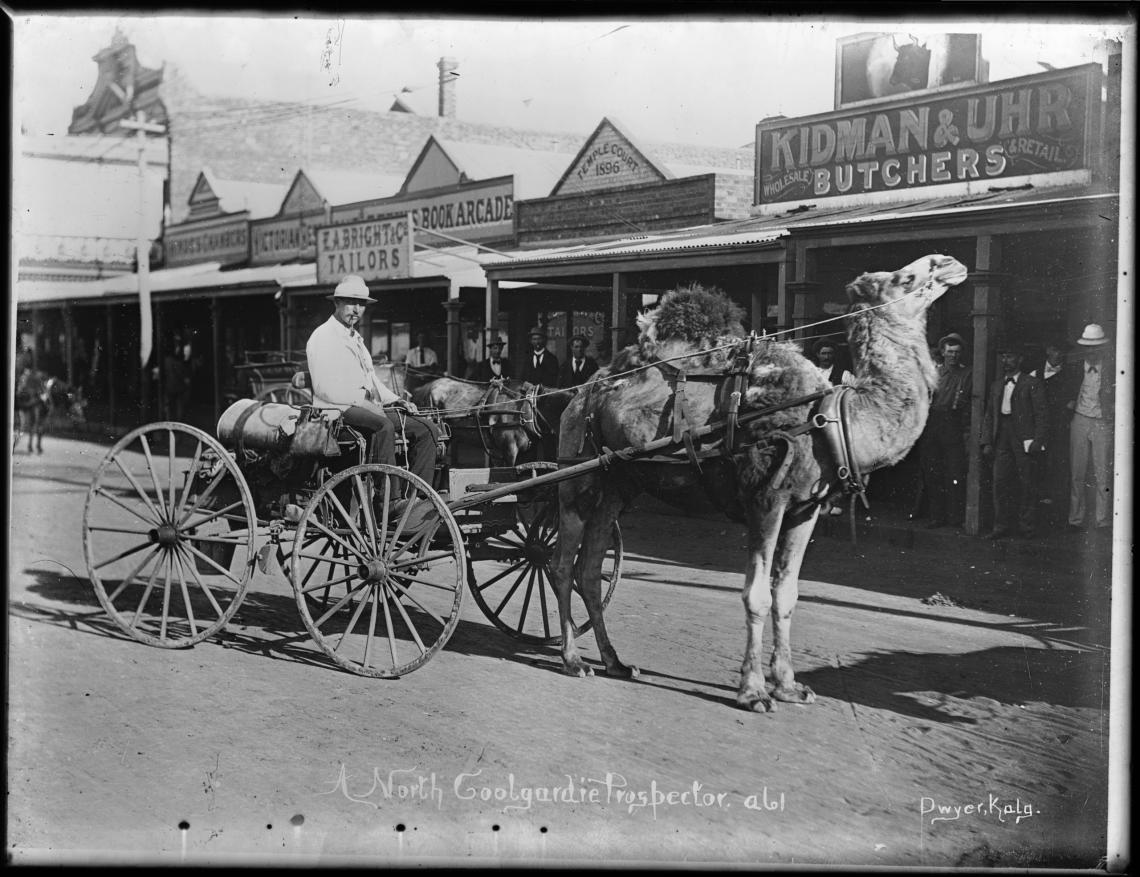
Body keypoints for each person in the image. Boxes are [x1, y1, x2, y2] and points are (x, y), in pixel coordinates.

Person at [306, 275, 440, 488]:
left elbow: (372, 380)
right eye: (351, 302)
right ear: (336, 302)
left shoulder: (355, 338)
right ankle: (388, 499)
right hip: (336, 410)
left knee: (428, 429)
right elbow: (325, 389)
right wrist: (364, 401)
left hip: (366, 408)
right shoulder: (323, 336)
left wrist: (397, 400)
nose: (356, 309)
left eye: (361, 304)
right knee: (383, 426)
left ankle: (419, 497)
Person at [980, 341, 1047, 538]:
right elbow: (989, 415)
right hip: (1002, 436)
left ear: (1020, 359)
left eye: (1010, 356)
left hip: (1024, 437)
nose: (1006, 361)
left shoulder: (1032, 383)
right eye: (1003, 356)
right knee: (999, 482)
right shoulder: (996, 385)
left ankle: (1027, 527)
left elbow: (1042, 415)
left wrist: (1038, 440)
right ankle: (1000, 526)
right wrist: (986, 441)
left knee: (1027, 482)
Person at [918, 333, 973, 528]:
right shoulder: (934, 373)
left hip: (954, 423)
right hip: (933, 422)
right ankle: (936, 516)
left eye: (957, 352)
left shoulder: (967, 373)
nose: (953, 356)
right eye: (950, 352)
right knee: (933, 472)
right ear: (943, 352)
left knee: (955, 472)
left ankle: (954, 517)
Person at [1066, 323, 1115, 531]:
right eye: (1088, 347)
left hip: (1102, 422)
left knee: (1102, 471)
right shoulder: (1074, 367)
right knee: (1077, 471)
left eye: (1096, 347)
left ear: (1102, 348)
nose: (1092, 351)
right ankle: (1075, 518)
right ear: (1083, 349)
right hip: (1079, 420)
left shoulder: (1113, 368)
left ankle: (1102, 519)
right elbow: (1065, 392)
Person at [1029, 338, 1074, 523]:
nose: (1059, 354)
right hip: (1038, 429)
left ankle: (1055, 514)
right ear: (1048, 349)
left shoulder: (1070, 375)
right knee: (1036, 466)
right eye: (1056, 349)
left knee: (1057, 467)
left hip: (1059, 429)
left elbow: (1071, 404)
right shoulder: (1034, 373)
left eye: (1062, 350)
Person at [162, 332, 191, 422]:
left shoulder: (171, 357)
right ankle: (176, 420)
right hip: (174, 381)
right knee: (176, 403)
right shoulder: (172, 359)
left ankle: (174, 420)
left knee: (174, 403)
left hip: (173, 381)